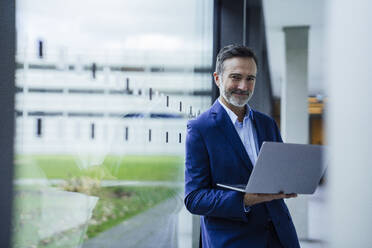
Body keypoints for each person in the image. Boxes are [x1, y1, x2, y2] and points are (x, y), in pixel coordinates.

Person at [184, 44, 300, 248]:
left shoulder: (267, 123)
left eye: (250, 79)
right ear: (217, 78)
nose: (244, 86)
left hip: (280, 237)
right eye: (236, 77)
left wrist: (292, 180)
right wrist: (244, 200)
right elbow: (194, 198)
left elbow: (278, 174)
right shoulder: (200, 128)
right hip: (233, 240)